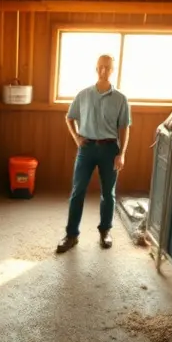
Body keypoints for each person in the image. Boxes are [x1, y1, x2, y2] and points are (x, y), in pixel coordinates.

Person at [57, 54, 131, 253]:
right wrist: (77, 139)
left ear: (113, 70)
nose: (104, 71)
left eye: (108, 67)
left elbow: (124, 128)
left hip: (110, 150)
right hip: (87, 148)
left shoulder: (121, 99)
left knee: (108, 194)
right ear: (96, 69)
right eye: (101, 67)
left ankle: (105, 231)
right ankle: (71, 235)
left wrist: (121, 153)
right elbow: (69, 118)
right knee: (77, 191)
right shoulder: (83, 94)